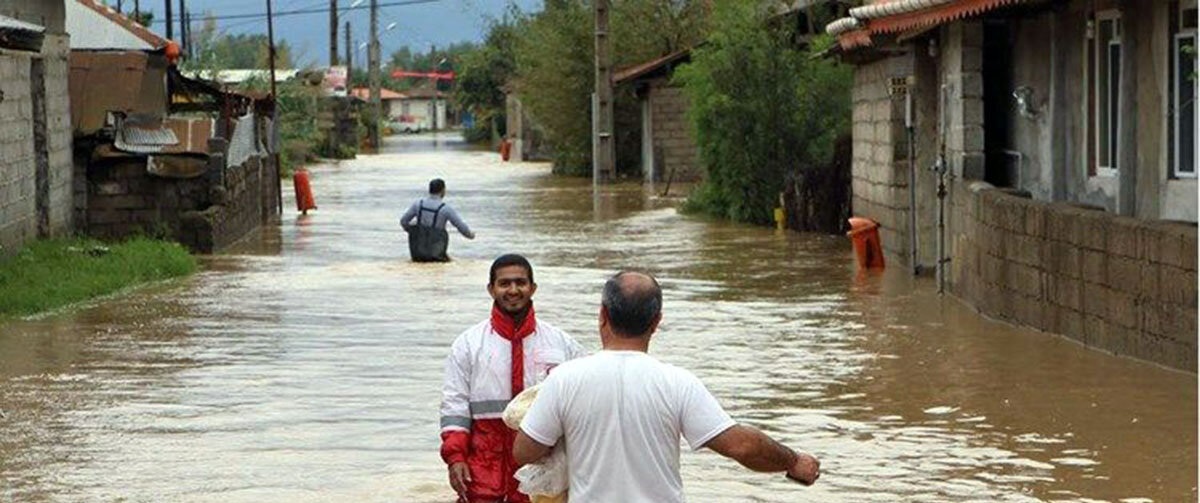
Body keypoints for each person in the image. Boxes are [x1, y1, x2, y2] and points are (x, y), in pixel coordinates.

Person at [513, 271, 820, 502]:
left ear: (602, 316)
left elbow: (524, 451)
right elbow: (741, 446)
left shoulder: (564, 380)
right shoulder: (677, 383)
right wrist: (793, 461)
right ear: (656, 321)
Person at [440, 254, 587, 503]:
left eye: (520, 282)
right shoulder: (468, 345)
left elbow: (585, 405)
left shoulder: (562, 344)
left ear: (533, 288)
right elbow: (454, 406)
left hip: (542, 469)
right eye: (504, 283)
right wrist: (455, 458)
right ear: (491, 289)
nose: (513, 290)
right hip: (483, 468)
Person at [401, 178, 474, 262]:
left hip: (417, 253)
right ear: (443, 191)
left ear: (429, 190)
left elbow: (403, 221)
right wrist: (471, 235)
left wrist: (412, 230)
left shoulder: (418, 204)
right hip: (436, 254)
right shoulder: (446, 209)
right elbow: (461, 227)